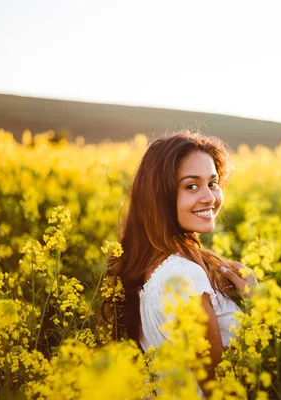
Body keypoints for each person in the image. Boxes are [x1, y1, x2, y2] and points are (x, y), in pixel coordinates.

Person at [99, 131, 258, 393]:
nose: (209, 197)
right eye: (191, 186)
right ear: (160, 197)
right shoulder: (182, 275)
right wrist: (260, 306)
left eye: (213, 183)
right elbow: (220, 389)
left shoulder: (153, 267)